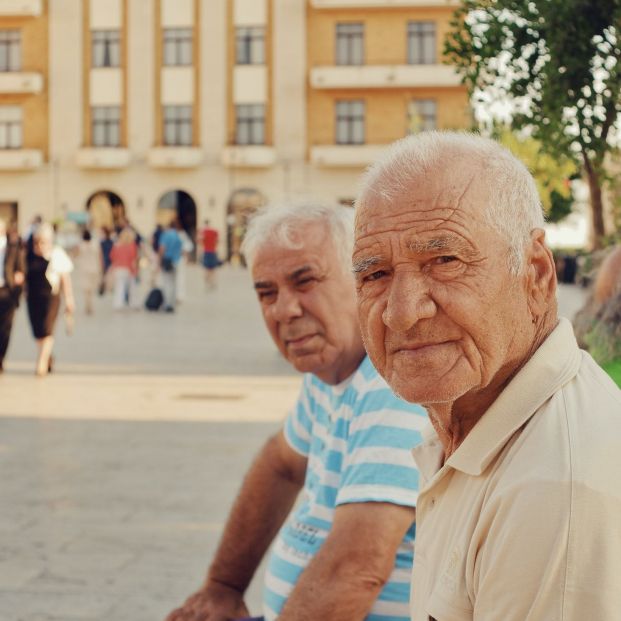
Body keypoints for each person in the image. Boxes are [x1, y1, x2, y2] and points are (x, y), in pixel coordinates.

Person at [352, 131, 621, 620]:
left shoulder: (551, 488)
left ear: (536, 274)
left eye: (445, 261)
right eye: (375, 274)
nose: (401, 312)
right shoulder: (475, 426)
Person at [165, 202, 427, 621]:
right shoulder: (332, 372)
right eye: (266, 293)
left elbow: (356, 569)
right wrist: (224, 586)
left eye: (304, 282)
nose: (283, 310)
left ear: (363, 282)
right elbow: (281, 464)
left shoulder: (393, 385)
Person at [25, 223, 75, 376]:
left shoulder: (57, 254)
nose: (39, 245)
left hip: (51, 298)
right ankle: (47, 357)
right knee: (38, 332)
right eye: (37, 241)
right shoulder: (28, 255)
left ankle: (41, 363)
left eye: (43, 241)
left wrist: (69, 299)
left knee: (47, 329)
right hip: (33, 299)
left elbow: (65, 279)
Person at [0, 219, 25, 373]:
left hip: (7, 292)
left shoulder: (13, 247)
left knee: (5, 329)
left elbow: (21, 268)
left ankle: (1, 357)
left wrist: (19, 276)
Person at [109, 226, 139, 311]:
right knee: (132, 288)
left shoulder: (117, 245)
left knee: (119, 287)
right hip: (128, 269)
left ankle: (118, 304)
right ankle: (133, 303)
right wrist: (135, 270)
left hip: (118, 268)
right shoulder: (132, 245)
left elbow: (112, 257)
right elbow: (133, 259)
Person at [158, 219, 183, 312]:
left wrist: (159, 260)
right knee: (173, 284)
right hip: (175, 262)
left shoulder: (166, 235)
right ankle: (172, 304)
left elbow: (162, 248)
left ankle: (167, 304)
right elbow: (181, 250)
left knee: (166, 283)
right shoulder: (178, 236)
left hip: (167, 260)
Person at [76, 229, 102, 315]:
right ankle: (90, 305)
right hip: (94, 268)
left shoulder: (81, 245)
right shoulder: (95, 244)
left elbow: (76, 255)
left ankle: (88, 305)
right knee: (91, 289)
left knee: (86, 289)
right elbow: (100, 256)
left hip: (84, 269)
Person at [200, 219, 219, 290]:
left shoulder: (203, 232)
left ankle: (207, 283)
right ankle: (213, 282)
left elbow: (200, 241)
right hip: (213, 251)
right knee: (213, 268)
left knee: (206, 268)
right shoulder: (214, 231)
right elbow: (217, 240)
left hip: (206, 251)